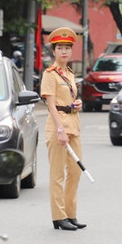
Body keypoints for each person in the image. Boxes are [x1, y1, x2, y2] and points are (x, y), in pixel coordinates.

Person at [39, 27, 86, 231]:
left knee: (75, 171)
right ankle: (59, 217)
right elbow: (50, 103)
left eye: (67, 48)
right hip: (58, 127)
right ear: (54, 51)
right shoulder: (50, 74)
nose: (64, 51)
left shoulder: (69, 73)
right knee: (57, 174)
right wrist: (60, 129)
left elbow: (70, 98)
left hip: (73, 125)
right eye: (60, 48)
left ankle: (70, 213)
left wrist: (77, 103)